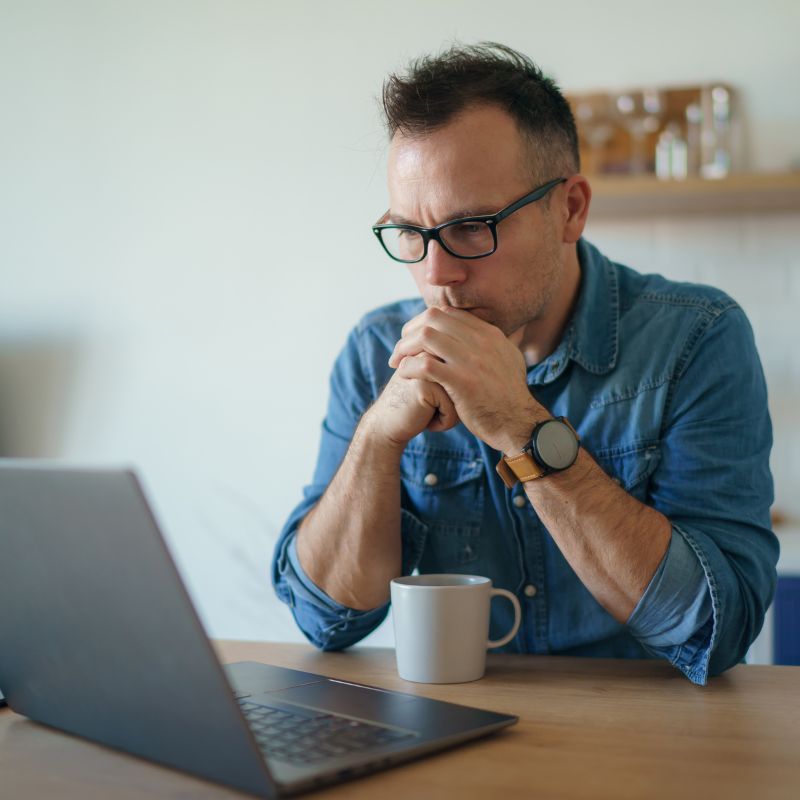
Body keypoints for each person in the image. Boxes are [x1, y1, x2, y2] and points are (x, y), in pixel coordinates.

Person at [271, 42, 778, 685]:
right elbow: (324, 620)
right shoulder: (377, 349)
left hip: (644, 749)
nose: (436, 275)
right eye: (411, 232)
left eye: (472, 226)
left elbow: (715, 626)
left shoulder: (697, 337)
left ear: (570, 209)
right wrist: (375, 441)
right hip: (450, 737)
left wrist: (521, 425)